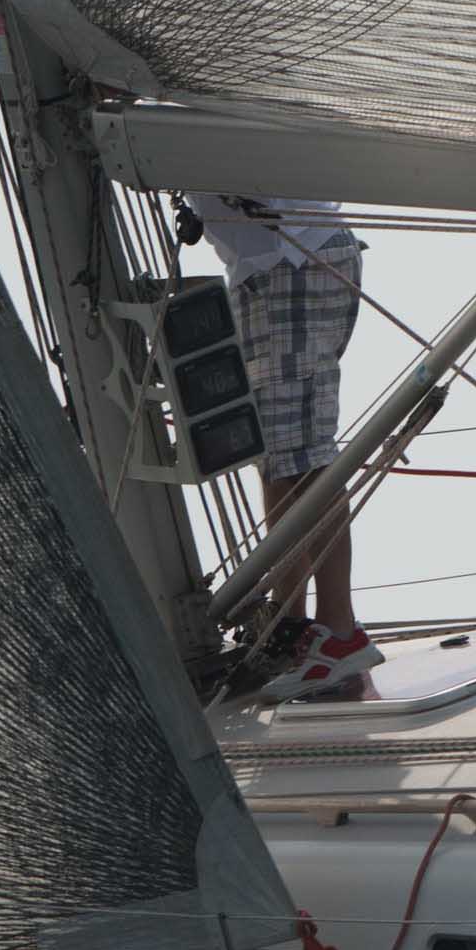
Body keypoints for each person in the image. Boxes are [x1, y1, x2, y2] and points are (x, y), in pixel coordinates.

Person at [188, 193, 381, 701]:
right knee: (277, 453)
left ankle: (339, 633)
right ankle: (289, 623)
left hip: (287, 262)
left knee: (303, 454)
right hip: (271, 267)